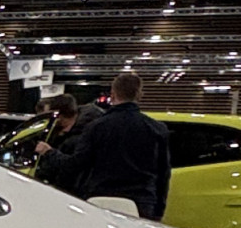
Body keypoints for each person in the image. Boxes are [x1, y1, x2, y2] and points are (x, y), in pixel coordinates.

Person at [46, 71, 171, 220]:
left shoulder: (96, 127)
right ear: (139, 95)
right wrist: (158, 211)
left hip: (101, 199)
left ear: (112, 94)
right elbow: (163, 174)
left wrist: (50, 153)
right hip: (142, 202)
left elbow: (76, 164)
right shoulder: (157, 129)